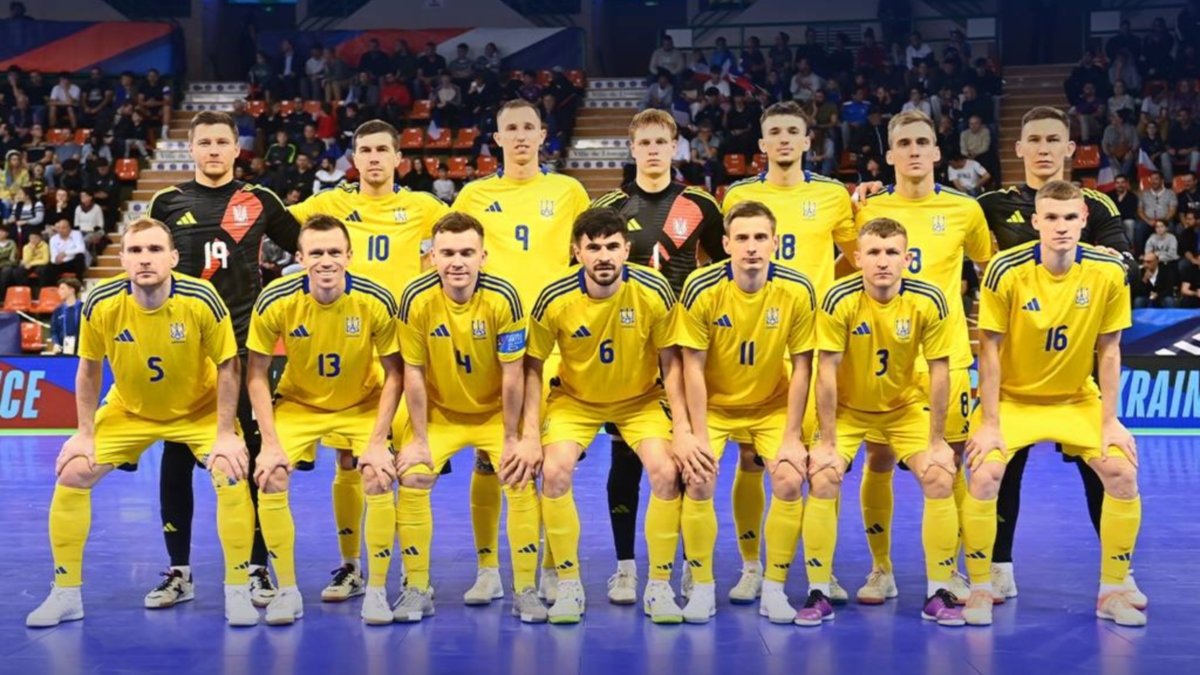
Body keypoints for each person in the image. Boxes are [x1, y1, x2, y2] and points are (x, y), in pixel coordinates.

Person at [25, 218, 258, 628]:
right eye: (135, 251)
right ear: (122, 259)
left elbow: (228, 365)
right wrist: (84, 434)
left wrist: (225, 433)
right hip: (130, 411)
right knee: (73, 472)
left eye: (154, 250)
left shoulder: (201, 297)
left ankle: (237, 590)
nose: (145, 259)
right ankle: (66, 593)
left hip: (198, 410)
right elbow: (88, 369)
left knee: (231, 471)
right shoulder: (102, 302)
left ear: (173, 258)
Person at [961, 180, 1145, 627]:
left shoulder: (1108, 271)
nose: (1060, 226)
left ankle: (1114, 589)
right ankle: (982, 586)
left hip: (1075, 398)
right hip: (1013, 399)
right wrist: (989, 422)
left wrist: (1111, 421)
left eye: (1069, 218)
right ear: (1036, 221)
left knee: (1121, 472)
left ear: (1084, 220)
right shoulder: (1005, 269)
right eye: (1051, 218)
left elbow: (1110, 349)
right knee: (985, 475)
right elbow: (988, 348)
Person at [287, 119, 450, 601]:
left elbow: (466, 240)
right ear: (353, 158)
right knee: (349, 460)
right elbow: (270, 219)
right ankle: (351, 565)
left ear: (399, 158)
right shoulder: (330, 203)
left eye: (382, 150)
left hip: (408, 350)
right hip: (354, 350)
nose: (374, 158)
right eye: (365, 150)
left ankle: (413, 574)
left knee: (412, 464)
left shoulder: (424, 206)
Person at [147, 111, 300, 611]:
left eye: (221, 142)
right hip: (185, 352)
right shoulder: (167, 202)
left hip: (243, 349)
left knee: (250, 457)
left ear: (237, 149)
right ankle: (179, 571)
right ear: (191, 149)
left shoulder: (260, 200)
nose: (213, 150)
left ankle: (256, 568)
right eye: (204, 142)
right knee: (176, 458)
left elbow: (308, 246)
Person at [451, 99, 590, 606]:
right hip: (494, 341)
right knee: (490, 459)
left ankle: (552, 567)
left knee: (551, 460)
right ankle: (488, 568)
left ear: (543, 134)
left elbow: (585, 257)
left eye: (529, 127)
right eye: (511, 128)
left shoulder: (568, 191)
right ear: (498, 137)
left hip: (553, 340)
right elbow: (457, 260)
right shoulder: (474, 194)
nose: (521, 136)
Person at [720, 100, 858, 605]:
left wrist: (825, 295)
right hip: (757, 345)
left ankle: (823, 569)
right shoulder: (740, 194)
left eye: (792, 131)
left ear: (806, 141)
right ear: (762, 143)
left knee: (821, 460)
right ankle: (751, 565)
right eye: (774, 131)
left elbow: (855, 256)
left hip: (814, 346)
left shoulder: (832, 194)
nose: (783, 139)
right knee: (751, 458)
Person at [852, 109, 992, 605]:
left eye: (922, 142)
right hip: (883, 360)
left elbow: (989, 270)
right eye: (904, 143)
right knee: (878, 457)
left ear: (937, 152)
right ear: (890, 155)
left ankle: (950, 570)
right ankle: (880, 569)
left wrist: (988, 339)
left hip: (946, 358)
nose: (913, 150)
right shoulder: (865, 209)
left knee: (949, 461)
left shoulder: (965, 209)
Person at [589, 109, 726, 606]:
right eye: (643, 142)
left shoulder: (700, 204)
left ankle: (689, 566)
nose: (652, 150)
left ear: (674, 147)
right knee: (626, 456)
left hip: (683, 347)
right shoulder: (610, 205)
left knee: (687, 458)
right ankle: (626, 568)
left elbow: (722, 268)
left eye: (660, 142)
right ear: (632, 148)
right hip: (630, 349)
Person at [526, 208, 688, 625]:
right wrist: (527, 434)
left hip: (640, 400)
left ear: (626, 249)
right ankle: (568, 584)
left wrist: (684, 428)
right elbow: (531, 366)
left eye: (612, 246)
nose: (603, 256)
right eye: (593, 247)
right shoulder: (554, 296)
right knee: (554, 471)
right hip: (575, 400)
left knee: (666, 472)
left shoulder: (654, 289)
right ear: (576, 252)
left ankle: (658, 586)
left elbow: (672, 362)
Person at [805, 217, 964, 627]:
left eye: (892, 252)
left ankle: (939, 590)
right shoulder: (838, 298)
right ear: (857, 258)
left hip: (903, 408)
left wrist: (938, 441)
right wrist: (826, 441)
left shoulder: (928, 299)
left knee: (940, 475)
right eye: (873, 252)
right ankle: (819, 590)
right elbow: (826, 371)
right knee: (823, 475)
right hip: (848, 409)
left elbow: (940, 371)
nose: (882, 261)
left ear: (907, 259)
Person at [247, 215, 403, 626]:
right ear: (300, 258)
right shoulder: (276, 299)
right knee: (270, 474)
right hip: (300, 403)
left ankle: (374, 590)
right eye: (316, 253)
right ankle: (287, 591)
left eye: (335, 252)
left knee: (377, 474)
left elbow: (396, 373)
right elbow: (256, 373)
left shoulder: (374, 299)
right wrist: (269, 443)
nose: (326, 260)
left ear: (349, 256)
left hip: (362, 402)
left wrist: (377, 441)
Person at [391, 213, 543, 623]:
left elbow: (513, 374)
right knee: (414, 476)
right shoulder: (415, 297)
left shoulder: (504, 297)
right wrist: (419, 439)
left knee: (517, 474)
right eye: (447, 253)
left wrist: (511, 438)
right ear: (432, 257)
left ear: (483, 257)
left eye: (466, 253)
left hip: (495, 412)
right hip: (440, 412)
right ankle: (417, 587)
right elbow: (413, 373)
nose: (457, 262)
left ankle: (525, 588)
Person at [676, 200, 818, 624]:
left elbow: (803, 366)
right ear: (726, 244)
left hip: (771, 405)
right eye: (742, 238)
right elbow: (692, 366)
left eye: (760, 237)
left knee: (789, 478)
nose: (751, 247)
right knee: (699, 478)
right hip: (715, 407)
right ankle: (702, 587)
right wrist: (698, 435)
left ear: (775, 242)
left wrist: (792, 436)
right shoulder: (702, 287)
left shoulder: (797, 288)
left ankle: (772, 586)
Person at [41, 219, 86, 288]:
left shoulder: (76, 234)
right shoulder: (53, 239)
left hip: (73, 262)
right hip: (61, 263)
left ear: (69, 228)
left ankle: (80, 283)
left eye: (63, 228)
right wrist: (56, 260)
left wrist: (65, 253)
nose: (61, 230)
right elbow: (53, 256)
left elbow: (81, 249)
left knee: (80, 256)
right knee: (48, 268)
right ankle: (51, 289)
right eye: (59, 228)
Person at [49, 277, 83, 354]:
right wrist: (56, 343)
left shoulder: (84, 309)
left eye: (62, 289)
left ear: (72, 290)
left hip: (82, 351)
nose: (59, 292)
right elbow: (54, 331)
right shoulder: (57, 311)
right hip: (63, 350)